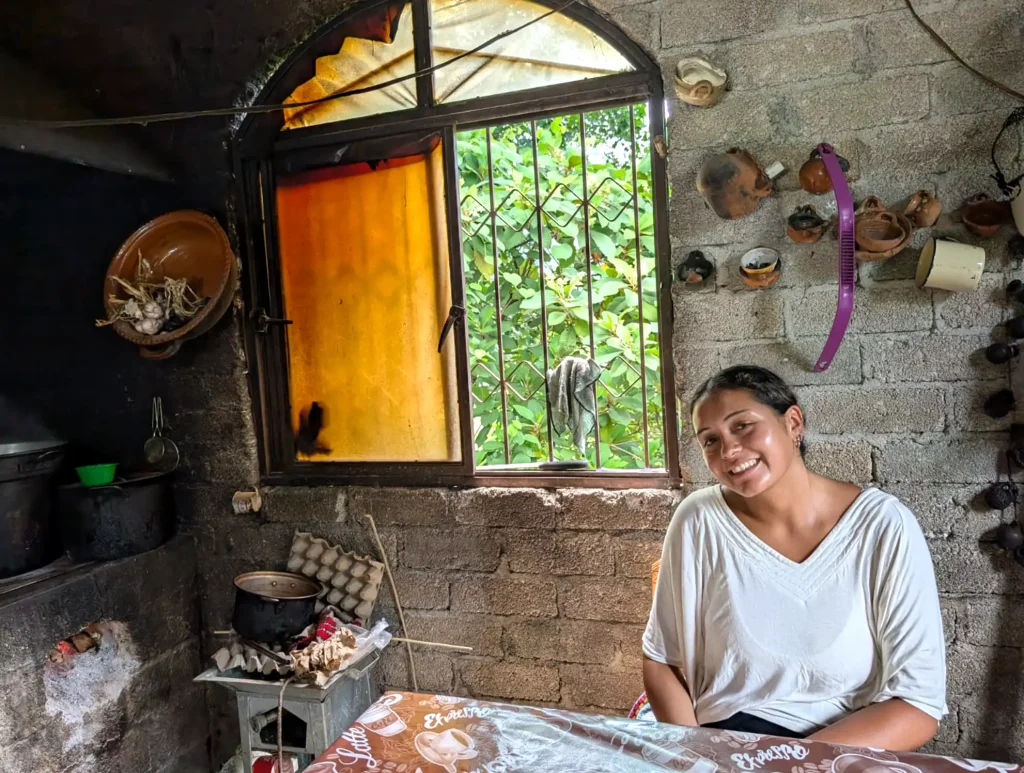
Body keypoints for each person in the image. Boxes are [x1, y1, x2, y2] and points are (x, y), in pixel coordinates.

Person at [642, 365, 946, 751]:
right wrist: (695, 754)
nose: (729, 451)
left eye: (743, 426)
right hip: (727, 747)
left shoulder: (883, 526)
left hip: (847, 749)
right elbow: (660, 658)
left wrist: (789, 761)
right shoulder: (699, 520)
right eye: (710, 441)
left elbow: (918, 705)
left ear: (793, 423)